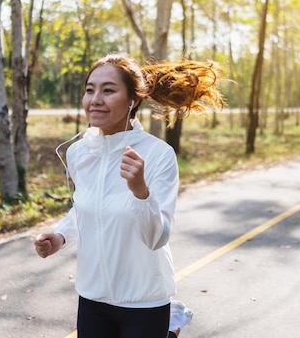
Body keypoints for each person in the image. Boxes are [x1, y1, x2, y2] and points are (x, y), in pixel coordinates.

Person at [34, 52, 224, 338]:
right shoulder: (78, 153)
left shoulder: (158, 155)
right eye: (90, 90)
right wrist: (60, 236)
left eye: (108, 90)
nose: (95, 99)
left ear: (132, 100)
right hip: (92, 294)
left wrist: (140, 192)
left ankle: (168, 328)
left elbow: (157, 237)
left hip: (144, 299)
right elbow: (87, 206)